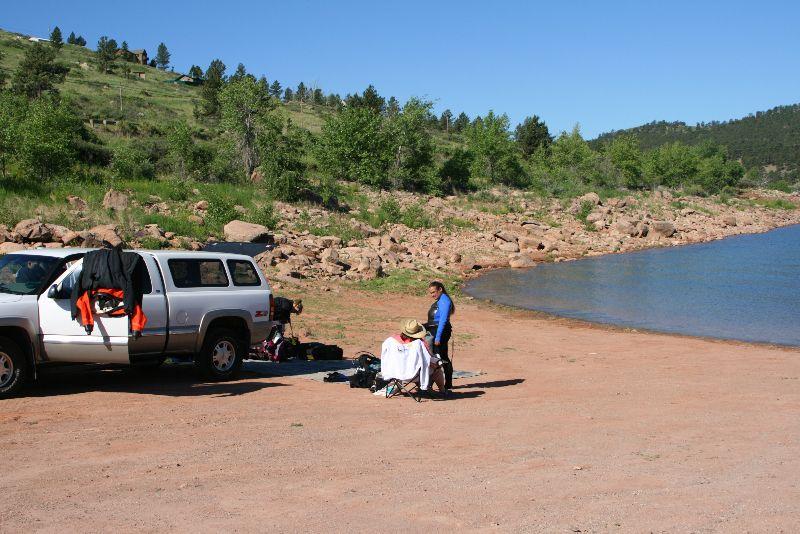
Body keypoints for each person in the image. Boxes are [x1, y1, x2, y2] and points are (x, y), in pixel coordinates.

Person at [380, 319, 446, 397]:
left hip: (395, 373)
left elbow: (385, 357)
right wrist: (438, 362)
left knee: (418, 364)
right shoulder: (419, 344)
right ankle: (442, 391)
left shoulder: (390, 341)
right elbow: (427, 359)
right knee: (437, 367)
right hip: (414, 375)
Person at [425, 281, 455, 390]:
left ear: (440, 289)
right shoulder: (441, 300)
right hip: (435, 330)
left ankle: (447, 383)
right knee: (438, 357)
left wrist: (438, 337)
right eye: (431, 293)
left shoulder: (444, 301)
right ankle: (437, 383)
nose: (432, 295)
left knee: (441, 357)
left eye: (434, 292)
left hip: (440, 332)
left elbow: (442, 320)